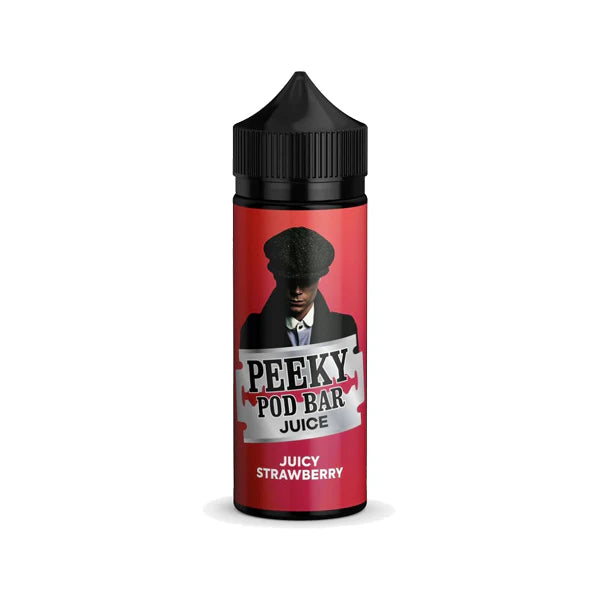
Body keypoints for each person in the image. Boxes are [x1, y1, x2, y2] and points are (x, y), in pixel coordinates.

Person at [240, 227, 358, 350]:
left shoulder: (345, 326)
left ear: (319, 279)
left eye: (306, 282)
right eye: (288, 281)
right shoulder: (252, 329)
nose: (296, 291)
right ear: (275, 277)